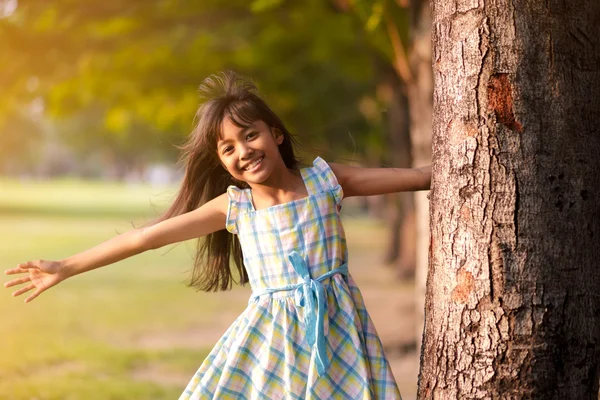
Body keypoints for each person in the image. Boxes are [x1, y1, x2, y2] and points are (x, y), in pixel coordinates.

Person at [4, 71, 430, 399]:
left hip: (340, 330)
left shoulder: (325, 179)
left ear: (275, 134)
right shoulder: (236, 207)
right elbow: (145, 238)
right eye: (228, 148)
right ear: (223, 162)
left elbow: (413, 177)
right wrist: (66, 266)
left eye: (251, 134)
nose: (244, 150)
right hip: (272, 341)